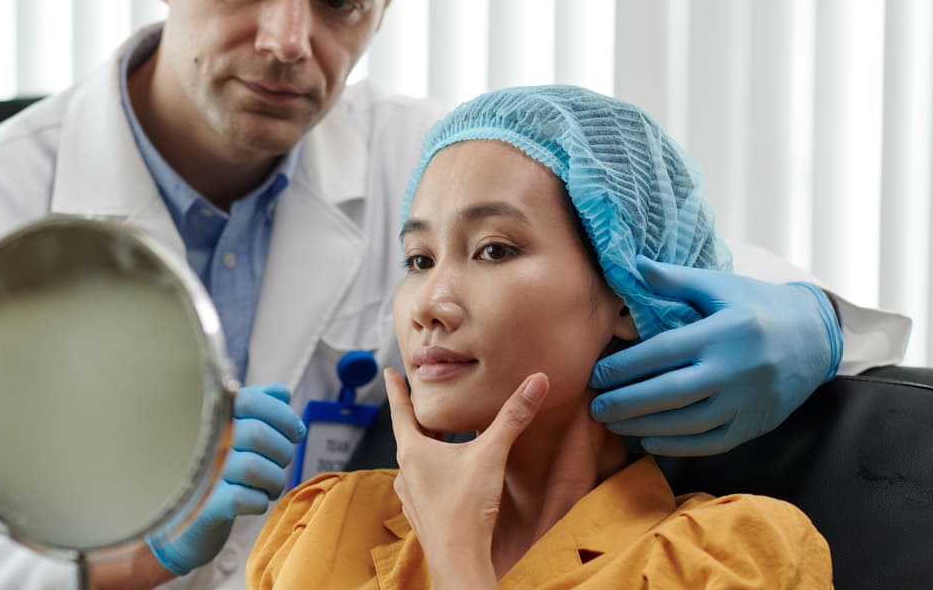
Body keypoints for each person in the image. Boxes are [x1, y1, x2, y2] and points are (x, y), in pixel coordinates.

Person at [0, 0, 906, 589]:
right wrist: (119, 564)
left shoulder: (423, 166)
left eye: (340, 1)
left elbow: (646, 234)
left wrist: (811, 318)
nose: (290, 40)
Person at [247, 85, 833, 589]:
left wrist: (458, 559)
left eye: (494, 250)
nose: (429, 304)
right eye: (419, 259)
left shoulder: (724, 559)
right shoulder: (324, 525)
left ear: (627, 297)